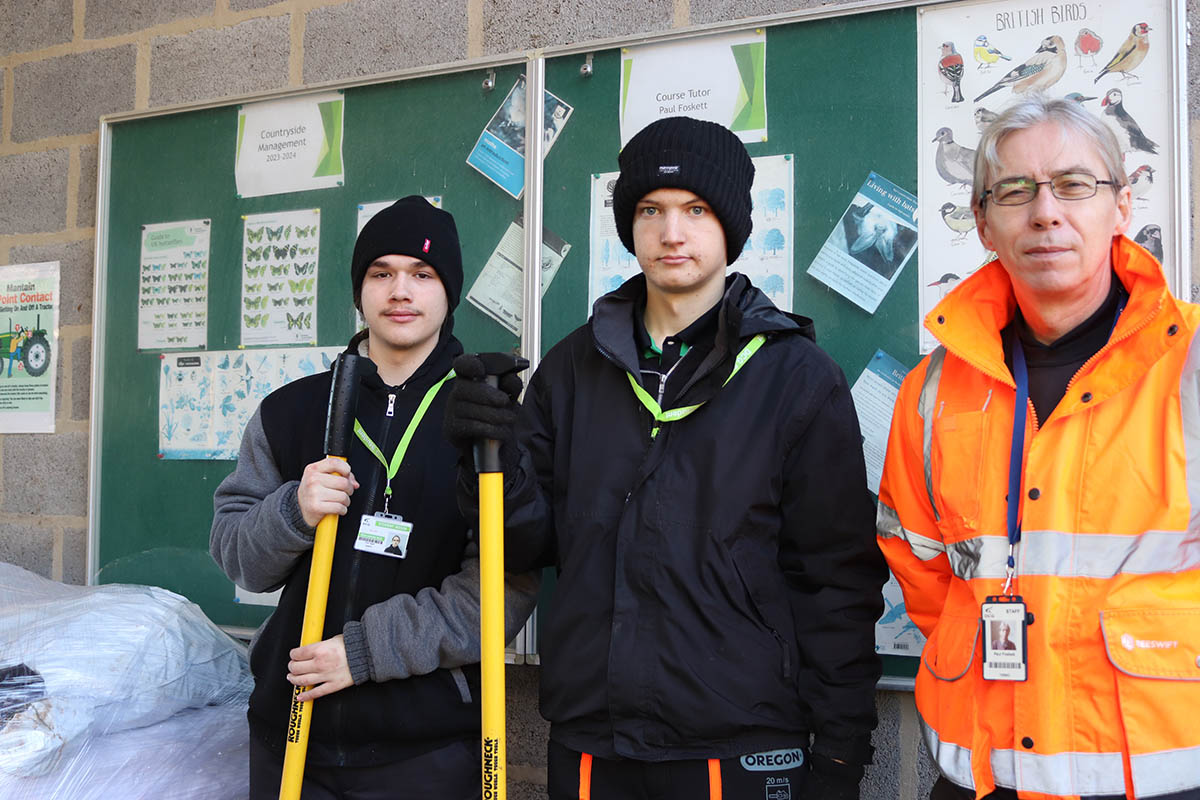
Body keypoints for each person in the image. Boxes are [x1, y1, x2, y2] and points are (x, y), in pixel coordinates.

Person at [447, 117, 887, 800]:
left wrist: (839, 753)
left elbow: (835, 581)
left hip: (740, 745)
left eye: (695, 210)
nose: (671, 232)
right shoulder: (571, 369)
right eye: (650, 209)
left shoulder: (796, 378)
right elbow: (525, 542)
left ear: (730, 227)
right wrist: (484, 456)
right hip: (593, 742)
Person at [877, 94, 1200, 800]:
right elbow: (924, 572)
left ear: (1121, 206)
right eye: (1016, 191)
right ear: (985, 224)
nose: (1045, 212)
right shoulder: (930, 390)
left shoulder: (1192, 361)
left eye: (1075, 185)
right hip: (984, 776)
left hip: (1161, 775)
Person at [211, 196, 539, 800]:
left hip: (423, 748)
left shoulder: (485, 417)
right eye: (381, 273)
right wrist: (293, 512)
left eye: (422, 274)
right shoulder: (291, 410)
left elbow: (505, 589)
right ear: (360, 290)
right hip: (290, 734)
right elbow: (239, 558)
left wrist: (361, 652)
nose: (400, 290)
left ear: (449, 292)